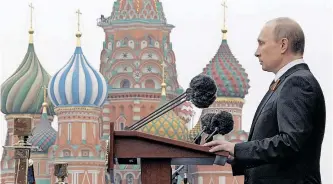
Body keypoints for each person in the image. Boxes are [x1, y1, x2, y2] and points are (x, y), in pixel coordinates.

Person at [203, 17, 326, 184]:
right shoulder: (283, 83)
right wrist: (235, 156)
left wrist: (238, 149)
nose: (256, 52)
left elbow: (290, 143)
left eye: (261, 43)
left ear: (283, 45)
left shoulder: (297, 83)